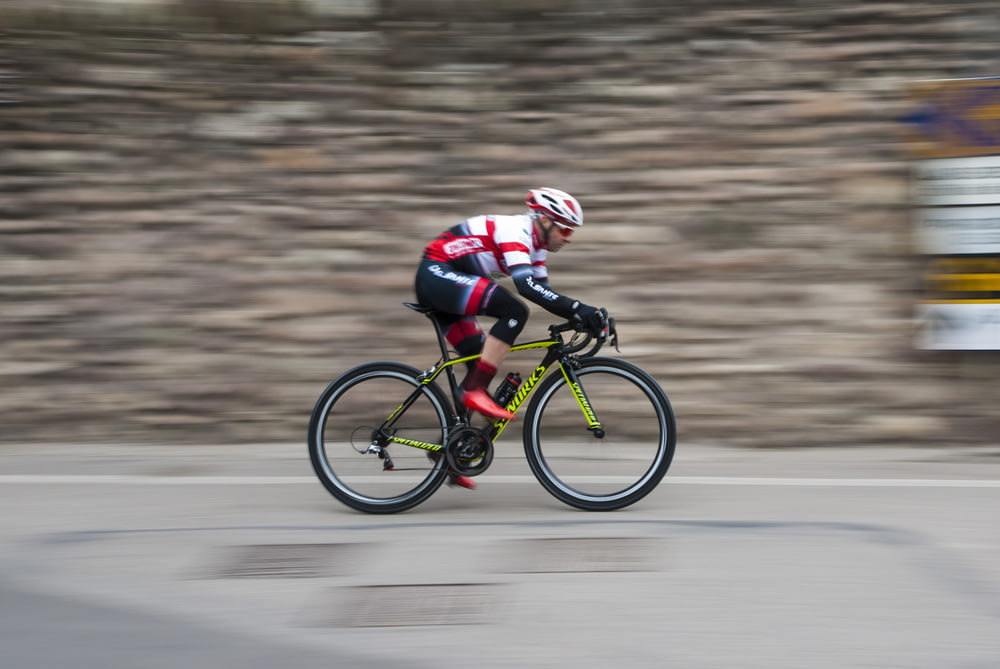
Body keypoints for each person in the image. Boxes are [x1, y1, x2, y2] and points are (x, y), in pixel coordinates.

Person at [414, 186, 608, 430]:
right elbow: (526, 287)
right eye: (566, 229)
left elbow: (545, 295)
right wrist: (580, 308)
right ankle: (473, 391)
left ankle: (452, 450)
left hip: (449, 282)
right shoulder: (516, 231)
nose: (569, 237)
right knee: (514, 311)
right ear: (546, 221)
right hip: (436, 274)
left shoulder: (536, 249)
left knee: (478, 364)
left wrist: (582, 315)